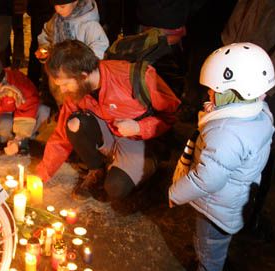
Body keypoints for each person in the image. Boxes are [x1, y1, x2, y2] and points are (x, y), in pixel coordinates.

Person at [169, 43, 275, 271]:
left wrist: (175, 192)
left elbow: (206, 179)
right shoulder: (257, 113)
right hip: (233, 199)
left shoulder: (225, 133)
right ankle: (209, 261)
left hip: (217, 204)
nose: (208, 94)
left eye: (213, 90)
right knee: (214, 242)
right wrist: (217, 111)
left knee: (209, 242)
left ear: (233, 92)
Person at [35, 40, 180, 201]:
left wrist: (139, 127)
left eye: (65, 84)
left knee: (115, 188)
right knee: (74, 123)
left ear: (83, 76)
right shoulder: (78, 90)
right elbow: (61, 135)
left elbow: (171, 115)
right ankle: (96, 170)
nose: (62, 90)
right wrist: (42, 174)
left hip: (139, 140)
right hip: (110, 134)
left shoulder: (133, 77)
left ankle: (151, 163)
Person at [221, 0, 275, 236]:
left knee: (262, 140)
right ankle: (221, 211)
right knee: (226, 130)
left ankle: (249, 215)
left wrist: (268, 75)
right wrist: (228, 44)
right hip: (238, 56)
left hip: (271, 73)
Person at [0, 54, 49, 156]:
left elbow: (29, 107)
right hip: (4, 117)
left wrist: (18, 139)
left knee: (43, 111)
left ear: (2, 80)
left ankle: (24, 141)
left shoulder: (19, 84)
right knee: (5, 122)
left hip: (24, 116)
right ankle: (3, 140)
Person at [36, 0, 109, 61]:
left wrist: (81, 64)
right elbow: (47, 33)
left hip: (79, 73)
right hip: (59, 71)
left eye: (62, 6)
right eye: (55, 5)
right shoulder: (56, 19)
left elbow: (99, 46)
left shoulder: (89, 23)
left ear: (75, 2)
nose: (58, 10)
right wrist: (45, 49)